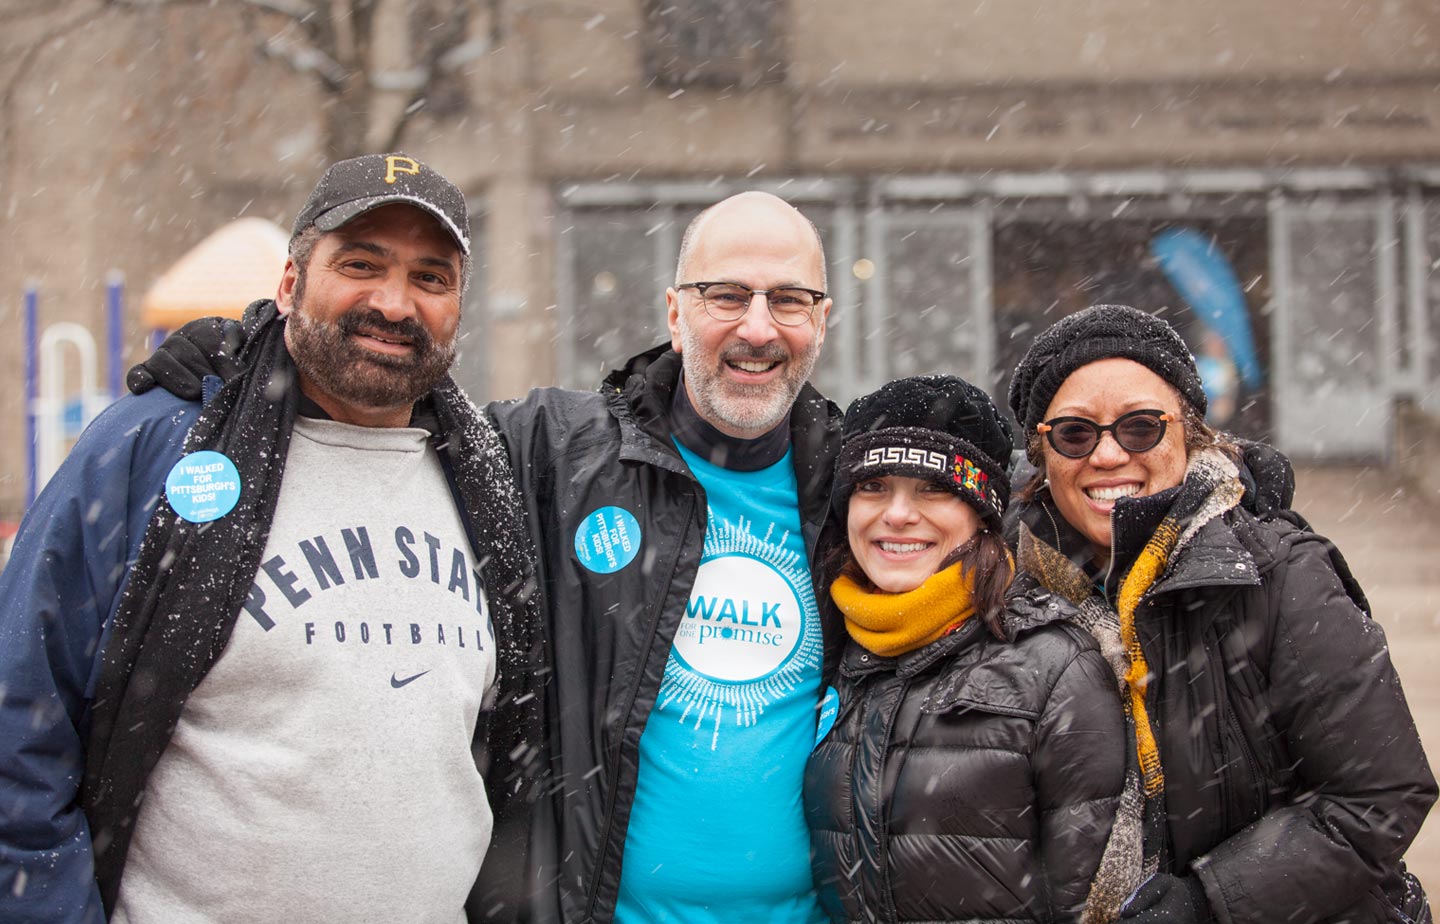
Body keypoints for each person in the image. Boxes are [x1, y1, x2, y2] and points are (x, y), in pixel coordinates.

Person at [123, 189, 843, 922]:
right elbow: (392, 395)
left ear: (822, 319)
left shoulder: (857, 495)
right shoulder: (552, 454)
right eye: (726, 295)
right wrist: (256, 360)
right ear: (674, 313)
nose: (758, 326)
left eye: (789, 299)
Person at [0, 153, 542, 924]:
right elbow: (21, 723)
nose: (394, 303)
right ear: (289, 284)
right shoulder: (157, 450)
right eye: (361, 264)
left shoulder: (487, 476)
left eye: (431, 278)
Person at [1005, 303, 1437, 924]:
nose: (1106, 456)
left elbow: (1377, 795)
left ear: (1190, 434)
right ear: (1042, 455)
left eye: (1141, 427)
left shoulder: (1282, 574)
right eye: (1075, 433)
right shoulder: (1004, 586)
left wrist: (1207, 904)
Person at [804, 374, 1128, 924]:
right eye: (874, 486)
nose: (898, 514)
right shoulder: (829, 648)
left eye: (934, 489)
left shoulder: (1054, 665)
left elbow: (1095, 903)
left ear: (982, 514)